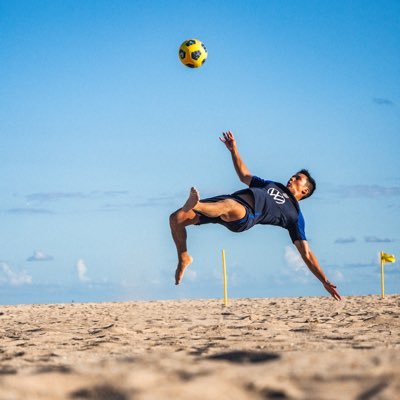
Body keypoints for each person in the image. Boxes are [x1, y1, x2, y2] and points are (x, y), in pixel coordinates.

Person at [169, 131, 341, 301]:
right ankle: (184, 257)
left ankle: (196, 204)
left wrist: (324, 281)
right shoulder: (273, 184)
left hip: (245, 215)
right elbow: (244, 176)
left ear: (305, 190)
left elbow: (307, 253)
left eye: (298, 178)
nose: (292, 178)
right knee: (176, 218)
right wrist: (233, 150)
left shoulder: (295, 215)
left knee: (227, 206)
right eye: (293, 175)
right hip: (228, 200)